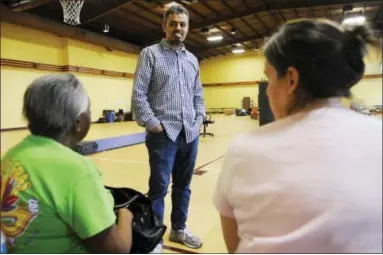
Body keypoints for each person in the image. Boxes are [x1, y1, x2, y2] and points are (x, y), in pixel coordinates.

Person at [214, 19, 382, 253]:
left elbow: (234, 244)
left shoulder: (245, 149)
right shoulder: (378, 136)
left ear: (291, 79)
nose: (269, 89)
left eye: (270, 77)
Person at [1, 74, 133, 253]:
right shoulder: (75, 170)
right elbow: (116, 249)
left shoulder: (11, 157)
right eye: (89, 110)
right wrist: (126, 216)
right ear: (79, 122)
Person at [131, 3, 205, 252]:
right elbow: (139, 95)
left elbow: (198, 95)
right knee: (159, 189)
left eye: (182, 24)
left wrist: (198, 119)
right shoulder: (150, 54)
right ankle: (155, 238)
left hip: (190, 133)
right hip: (163, 136)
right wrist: (153, 125)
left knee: (184, 186)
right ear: (164, 26)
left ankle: (179, 229)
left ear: (187, 28)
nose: (178, 28)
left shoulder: (192, 60)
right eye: (173, 23)